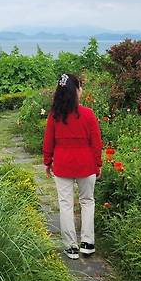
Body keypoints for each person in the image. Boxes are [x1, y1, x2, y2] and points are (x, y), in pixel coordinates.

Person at [42, 72, 102, 260]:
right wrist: (98, 163)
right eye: (80, 86)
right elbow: (96, 142)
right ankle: (87, 243)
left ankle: (71, 246)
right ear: (75, 91)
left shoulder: (54, 116)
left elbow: (48, 141)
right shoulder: (88, 114)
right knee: (87, 201)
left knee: (66, 204)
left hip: (63, 164)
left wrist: (47, 161)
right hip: (86, 164)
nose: (82, 90)